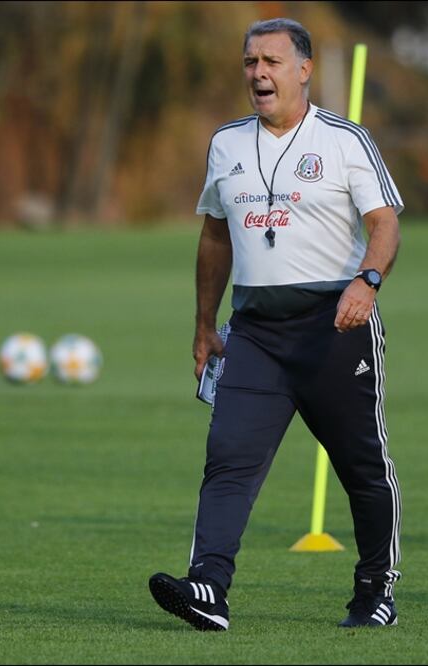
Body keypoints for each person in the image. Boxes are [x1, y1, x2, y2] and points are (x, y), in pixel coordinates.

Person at [149, 18, 404, 631]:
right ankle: (209, 589)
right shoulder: (227, 143)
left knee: (362, 465)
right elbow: (214, 235)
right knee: (227, 458)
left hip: (333, 330)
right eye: (249, 61)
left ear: (304, 69)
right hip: (255, 332)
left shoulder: (345, 140)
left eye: (270, 61)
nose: (258, 73)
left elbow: (386, 223)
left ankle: (375, 590)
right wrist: (205, 324)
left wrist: (366, 281)